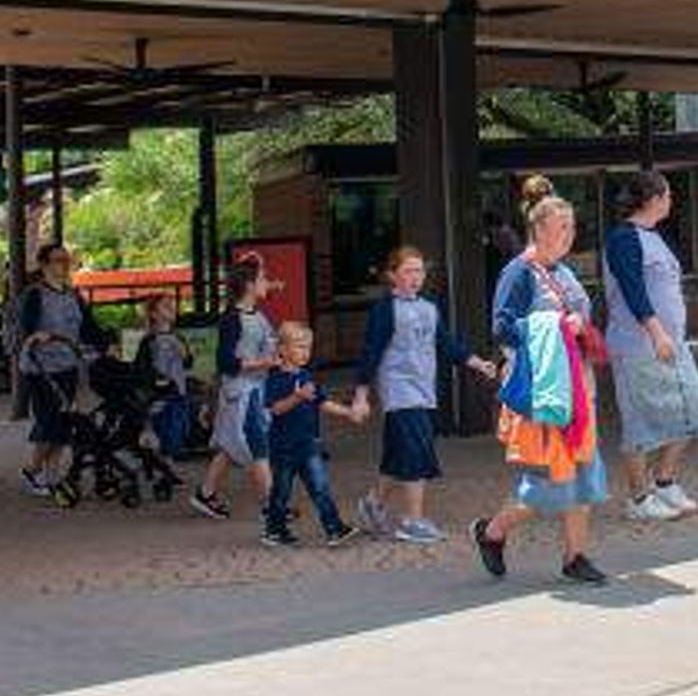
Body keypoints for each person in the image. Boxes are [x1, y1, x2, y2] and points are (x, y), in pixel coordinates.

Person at [472, 177, 610, 586]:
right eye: (561, 227)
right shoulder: (519, 272)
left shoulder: (563, 272)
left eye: (572, 226)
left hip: (578, 389)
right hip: (545, 391)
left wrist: (578, 325)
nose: (569, 234)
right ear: (538, 230)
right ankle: (492, 531)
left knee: (583, 474)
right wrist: (555, 325)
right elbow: (502, 328)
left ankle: (575, 556)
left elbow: (580, 319)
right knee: (547, 483)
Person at [351, 245, 497, 543]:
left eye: (419, 271)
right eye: (408, 271)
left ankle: (372, 506)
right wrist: (361, 395)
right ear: (392, 275)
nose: (416, 277)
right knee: (416, 452)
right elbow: (370, 353)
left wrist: (477, 362)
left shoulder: (429, 308)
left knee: (398, 456)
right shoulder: (385, 310)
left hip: (423, 391)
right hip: (400, 393)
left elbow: (446, 343)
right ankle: (412, 520)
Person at [602, 169, 698, 521]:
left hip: (671, 344)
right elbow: (632, 289)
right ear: (653, 199)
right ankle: (638, 498)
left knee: (694, 413)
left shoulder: (654, 236)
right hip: (639, 345)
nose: (671, 200)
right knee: (640, 421)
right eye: (667, 194)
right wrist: (656, 331)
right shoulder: (623, 238)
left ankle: (664, 482)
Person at [16, 242, 110, 496]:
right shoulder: (34, 294)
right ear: (44, 265)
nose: (65, 265)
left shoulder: (73, 295)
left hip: (68, 365)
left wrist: (106, 345)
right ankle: (32, 470)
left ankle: (51, 476)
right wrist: (36, 335)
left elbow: (88, 327)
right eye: (59, 260)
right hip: (40, 368)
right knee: (50, 421)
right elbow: (25, 327)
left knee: (64, 422)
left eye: (67, 260)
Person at [261, 321, 363, 545]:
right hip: (283, 448)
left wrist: (349, 413)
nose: (305, 352)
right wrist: (297, 397)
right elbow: (275, 409)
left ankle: (334, 528)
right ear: (282, 349)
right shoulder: (275, 378)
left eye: (308, 347)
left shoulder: (306, 376)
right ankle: (274, 530)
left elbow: (322, 402)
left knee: (320, 487)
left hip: (308, 445)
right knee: (281, 492)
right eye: (299, 346)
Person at [191, 259, 277, 520]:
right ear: (250, 285)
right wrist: (263, 363)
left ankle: (206, 493)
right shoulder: (233, 319)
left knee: (230, 446)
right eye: (263, 279)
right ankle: (272, 505)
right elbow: (225, 362)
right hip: (242, 393)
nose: (267, 283)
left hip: (251, 390)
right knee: (258, 444)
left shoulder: (255, 315)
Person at [137, 294, 194, 461]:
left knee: (177, 435)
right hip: (161, 397)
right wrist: (155, 381)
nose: (171, 307)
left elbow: (188, 363)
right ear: (154, 314)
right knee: (164, 436)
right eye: (165, 305)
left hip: (179, 393)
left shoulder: (178, 337)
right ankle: (161, 463)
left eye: (172, 305)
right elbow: (141, 369)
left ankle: (167, 462)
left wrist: (185, 354)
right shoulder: (149, 340)